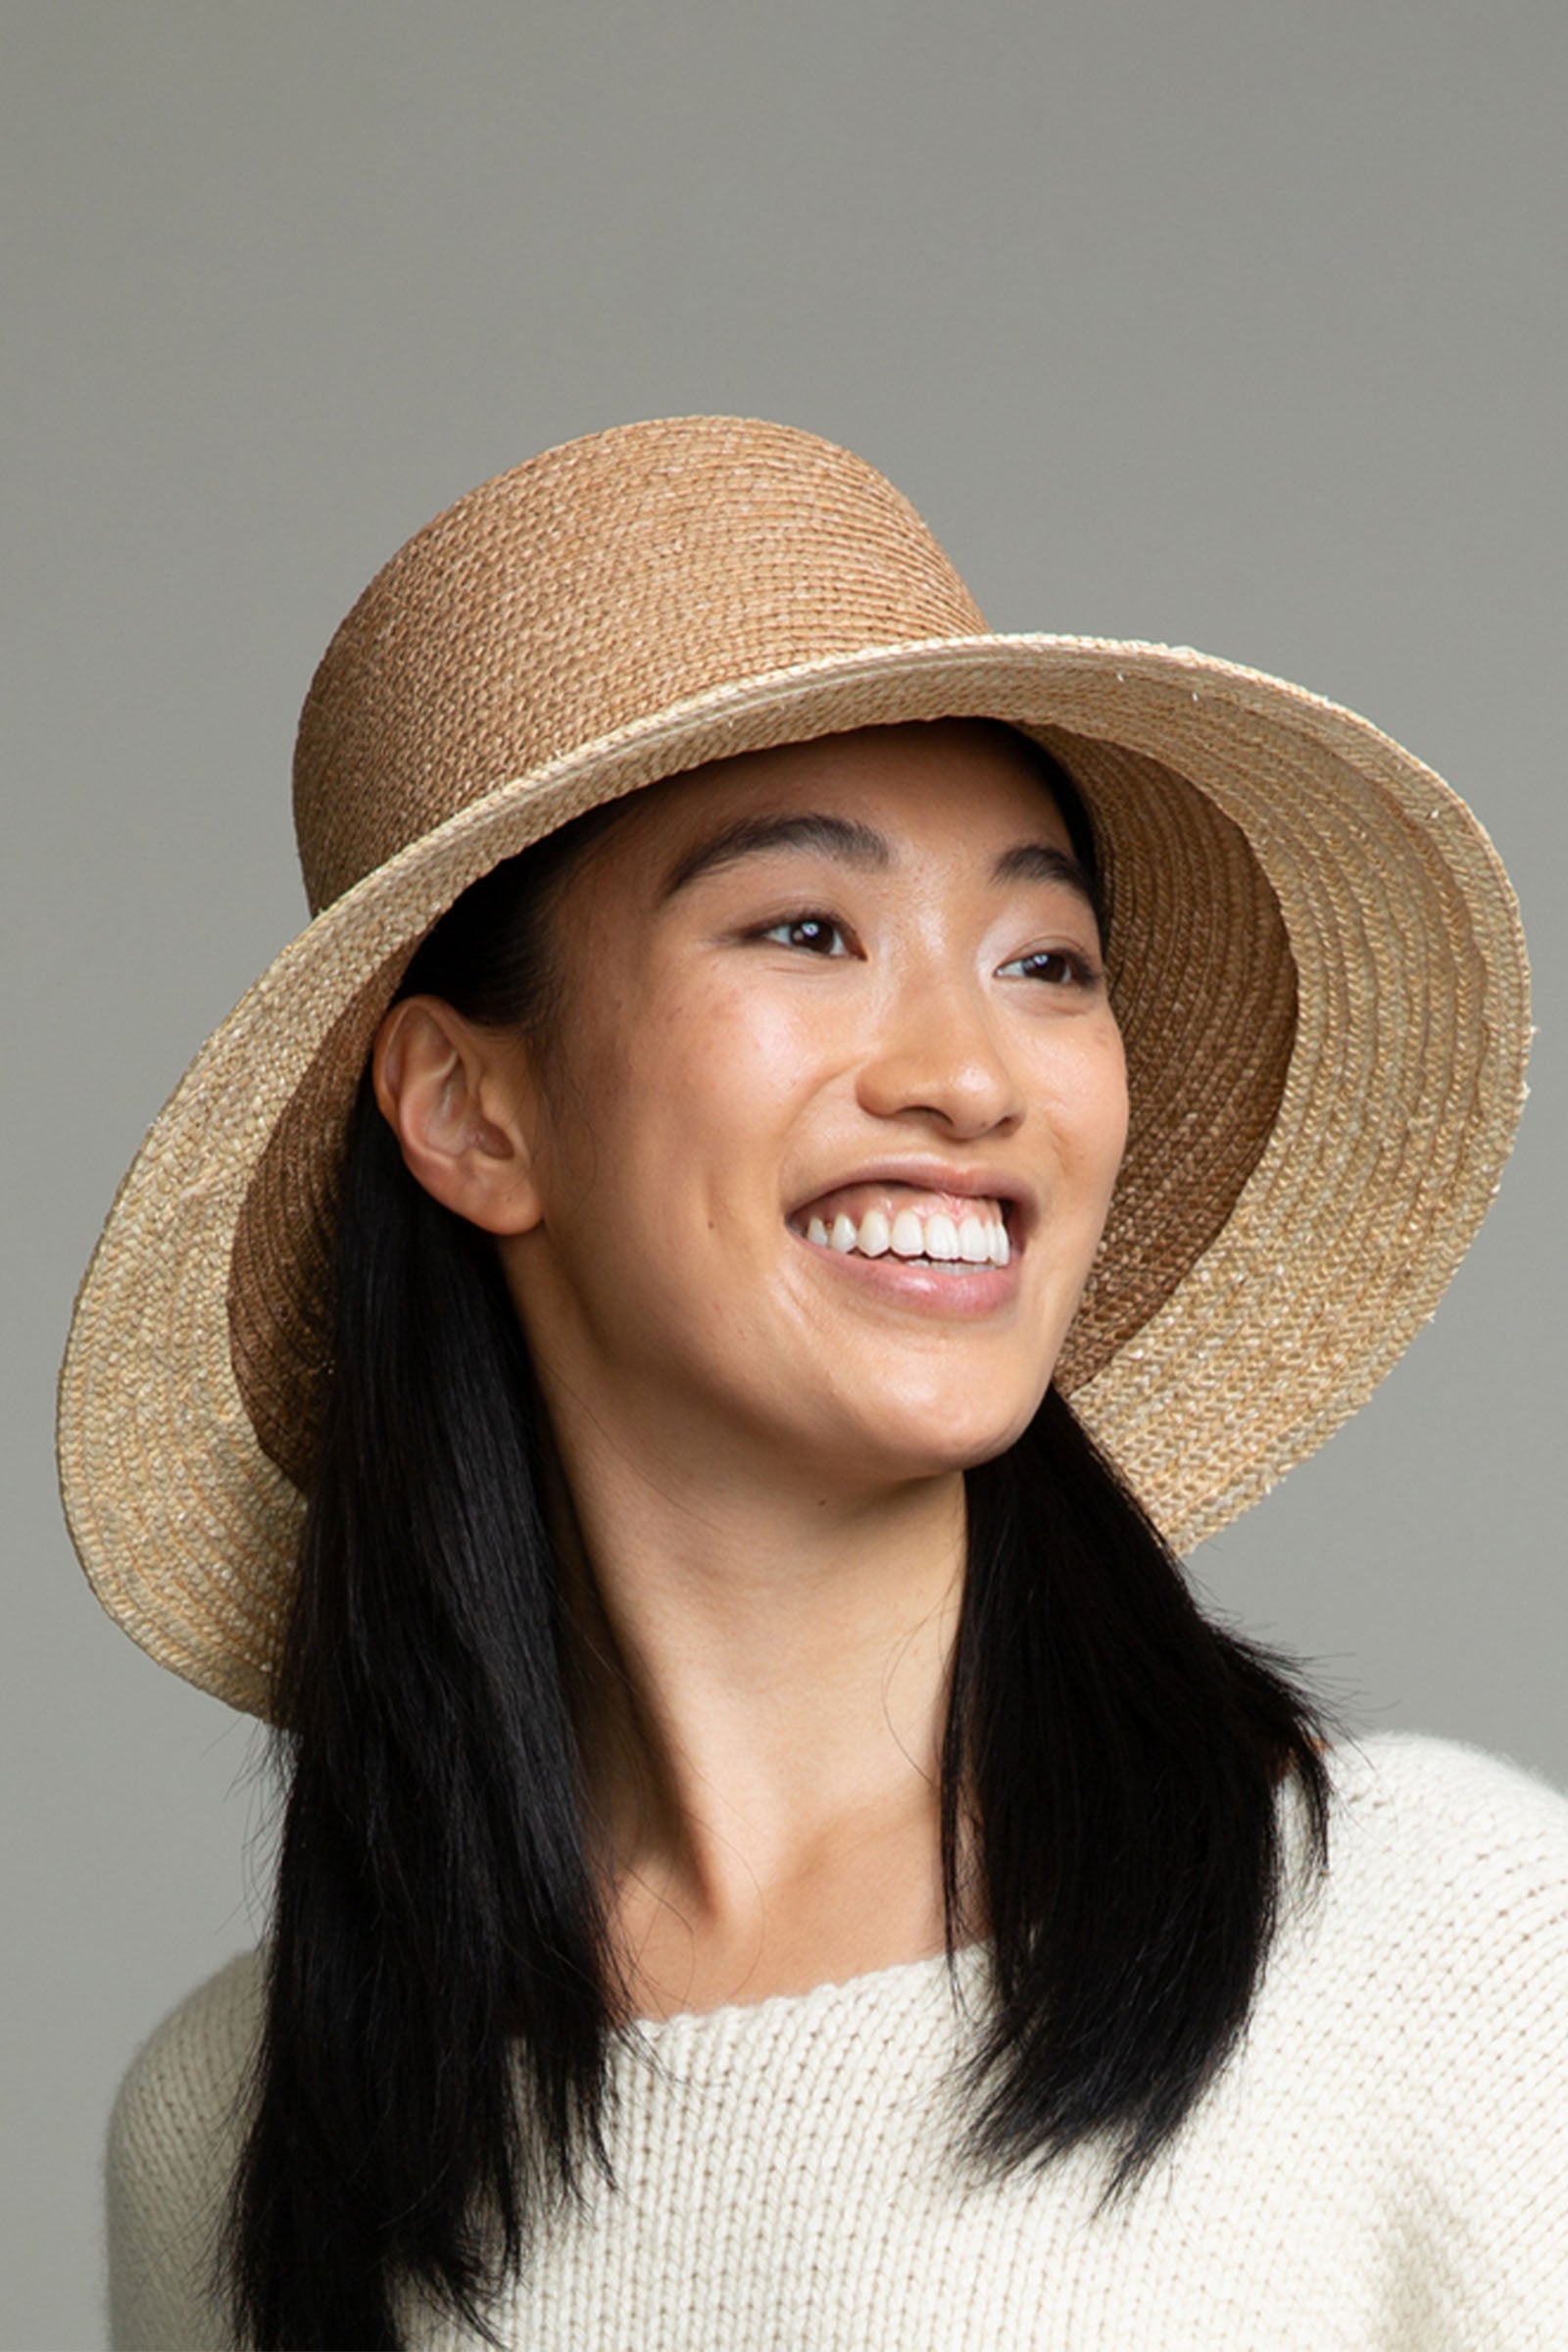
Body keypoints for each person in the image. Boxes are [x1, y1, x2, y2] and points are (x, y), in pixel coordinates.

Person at [61, 416, 1567, 2351]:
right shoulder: (233, 2122)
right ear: (467, 1108)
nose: (969, 1071)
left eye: (1043, 960)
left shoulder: (1447, 1942)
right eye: (804, 930)